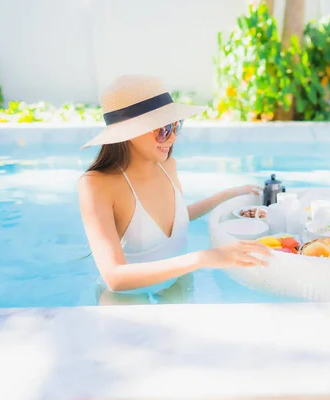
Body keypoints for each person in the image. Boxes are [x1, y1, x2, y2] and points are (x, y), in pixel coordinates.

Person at [78, 74, 272, 304]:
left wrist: (227, 195)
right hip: (126, 298)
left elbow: (174, 220)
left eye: (175, 126)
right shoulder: (96, 184)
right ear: (129, 132)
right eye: (163, 129)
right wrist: (204, 258)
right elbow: (115, 277)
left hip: (177, 281)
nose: (172, 138)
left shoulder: (167, 165)